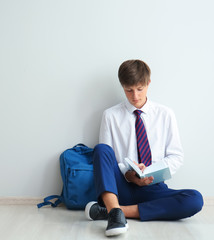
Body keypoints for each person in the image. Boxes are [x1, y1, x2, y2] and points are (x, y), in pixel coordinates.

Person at [84, 59, 203, 236]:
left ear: (148, 83)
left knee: (194, 199)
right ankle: (115, 209)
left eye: (140, 89)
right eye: (129, 90)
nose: (135, 96)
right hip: (121, 186)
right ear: (122, 86)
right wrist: (130, 174)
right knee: (101, 149)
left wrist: (151, 173)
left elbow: (176, 156)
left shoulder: (165, 114)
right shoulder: (110, 116)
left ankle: (114, 211)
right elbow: (108, 161)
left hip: (153, 187)